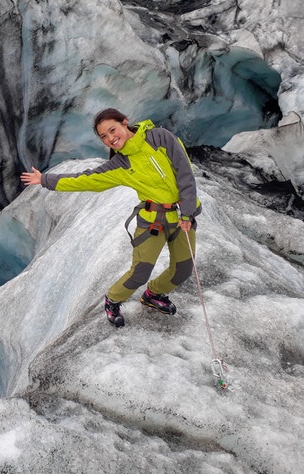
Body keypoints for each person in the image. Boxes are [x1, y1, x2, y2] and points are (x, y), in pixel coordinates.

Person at [20, 108, 201, 327]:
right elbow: (85, 179)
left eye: (112, 130)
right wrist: (46, 180)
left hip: (182, 216)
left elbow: (184, 173)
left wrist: (188, 212)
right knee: (140, 272)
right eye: (104, 136)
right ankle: (113, 299)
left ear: (125, 123)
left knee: (183, 269)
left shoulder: (160, 138)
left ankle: (154, 294)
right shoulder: (120, 164)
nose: (110, 138)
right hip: (153, 220)